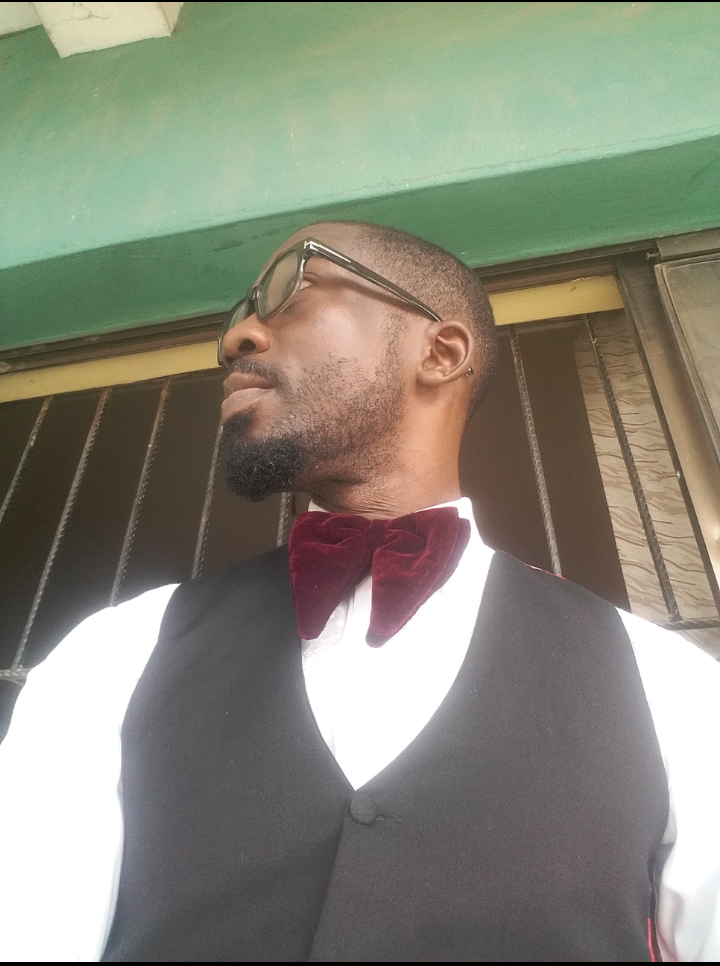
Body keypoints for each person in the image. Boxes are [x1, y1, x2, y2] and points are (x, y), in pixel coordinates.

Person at [1, 221, 719, 963]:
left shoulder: (673, 688)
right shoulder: (112, 657)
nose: (237, 337)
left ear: (440, 353)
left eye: (293, 287)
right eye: (243, 313)